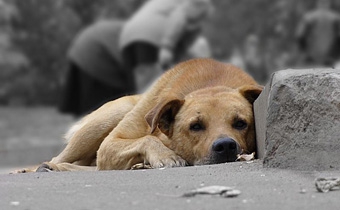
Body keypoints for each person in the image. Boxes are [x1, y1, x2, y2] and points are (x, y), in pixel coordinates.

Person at [119, 0, 213, 93]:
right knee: (149, 92)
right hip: (153, 36)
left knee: (136, 94)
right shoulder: (201, 3)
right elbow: (179, 16)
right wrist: (167, 46)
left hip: (127, 36)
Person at [59, 19, 134, 117]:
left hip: (83, 48)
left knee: (88, 114)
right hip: (94, 54)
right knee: (97, 113)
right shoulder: (141, 40)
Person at [296, 0, 340, 67]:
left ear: (318, 4)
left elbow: (299, 35)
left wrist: (304, 52)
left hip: (312, 57)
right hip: (330, 58)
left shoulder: (309, 16)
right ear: (328, 4)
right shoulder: (336, 17)